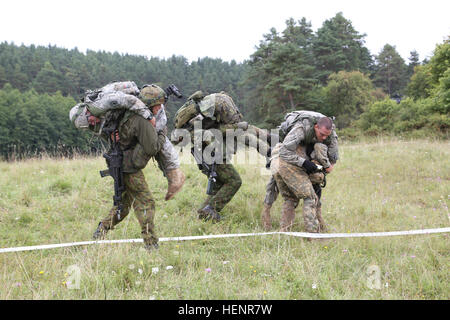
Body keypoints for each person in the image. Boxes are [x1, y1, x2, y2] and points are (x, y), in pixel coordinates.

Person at [172, 91, 273, 222]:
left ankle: (203, 214)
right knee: (234, 181)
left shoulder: (211, 116)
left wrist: (268, 139)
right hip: (210, 156)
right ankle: (211, 210)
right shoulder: (201, 122)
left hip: (210, 154)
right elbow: (241, 133)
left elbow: (245, 130)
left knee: (219, 185)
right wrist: (268, 150)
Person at [263, 111, 338, 233]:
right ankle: (313, 235)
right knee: (308, 197)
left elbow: (331, 165)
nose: (324, 137)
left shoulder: (330, 136)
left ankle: (286, 231)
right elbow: (284, 152)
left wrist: (319, 166)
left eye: (326, 135)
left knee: (294, 198)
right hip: (287, 160)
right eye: (322, 134)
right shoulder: (300, 129)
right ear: (316, 127)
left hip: (304, 159)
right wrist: (304, 163)